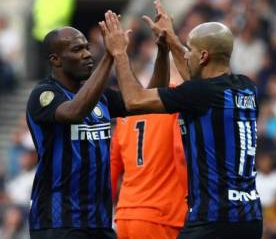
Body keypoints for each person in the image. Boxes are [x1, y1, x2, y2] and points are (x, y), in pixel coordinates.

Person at [99, 0, 263, 239]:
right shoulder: (247, 88)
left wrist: (120, 52)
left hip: (211, 220)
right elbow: (200, 80)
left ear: (204, 56)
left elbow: (134, 100)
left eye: (191, 51)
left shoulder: (199, 94)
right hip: (249, 218)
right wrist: (171, 39)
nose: (186, 56)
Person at [26, 25, 169, 239]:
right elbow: (74, 112)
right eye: (76, 50)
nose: (86, 54)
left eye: (87, 47)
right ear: (56, 60)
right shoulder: (44, 94)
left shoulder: (101, 98)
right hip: (59, 222)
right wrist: (110, 56)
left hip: (99, 222)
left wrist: (163, 52)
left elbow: (145, 101)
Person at [110, 79, 188, 238]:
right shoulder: (176, 100)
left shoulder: (127, 107)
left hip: (125, 215)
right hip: (162, 217)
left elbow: (112, 165)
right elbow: (181, 153)